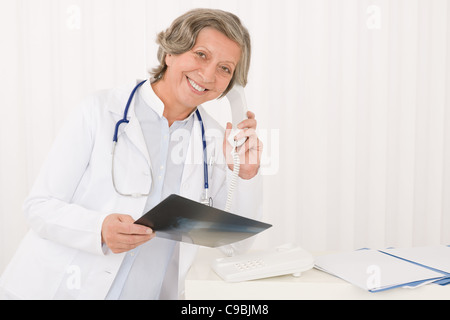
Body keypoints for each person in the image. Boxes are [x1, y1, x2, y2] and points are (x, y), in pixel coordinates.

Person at [0, 8, 263, 300]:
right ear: (171, 53)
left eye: (225, 68)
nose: (208, 74)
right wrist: (98, 229)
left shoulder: (217, 140)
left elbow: (234, 246)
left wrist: (245, 173)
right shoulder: (99, 111)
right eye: (201, 54)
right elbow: (38, 206)